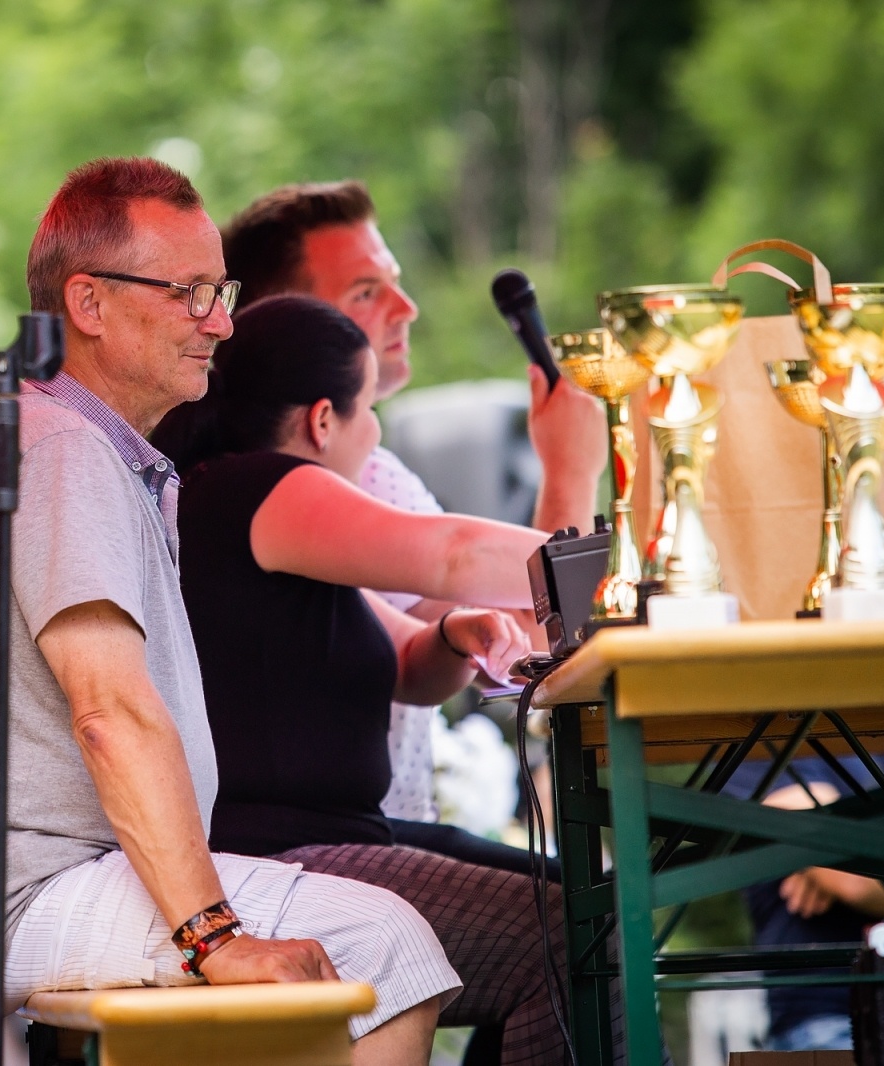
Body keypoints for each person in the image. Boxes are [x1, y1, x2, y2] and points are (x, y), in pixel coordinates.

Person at [0, 157, 461, 1066]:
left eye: (220, 289)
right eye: (190, 293)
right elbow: (109, 712)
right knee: (388, 946)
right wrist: (213, 939)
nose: (222, 322)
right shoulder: (63, 449)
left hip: (58, 875)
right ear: (89, 303)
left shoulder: (104, 456)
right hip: (20, 888)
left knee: (354, 952)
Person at [155, 294, 626, 1064]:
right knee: (573, 930)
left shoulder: (267, 518)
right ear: (321, 421)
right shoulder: (259, 488)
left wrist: (452, 633)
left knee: (590, 901)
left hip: (330, 839)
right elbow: (451, 553)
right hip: (276, 855)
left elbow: (412, 667)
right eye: (369, 406)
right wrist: (630, 563)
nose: (375, 431)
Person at [221, 181, 606, 841]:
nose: (407, 309)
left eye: (394, 282)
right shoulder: (268, 481)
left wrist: (459, 634)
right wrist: (571, 471)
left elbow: (496, 643)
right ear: (284, 322)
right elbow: (544, 635)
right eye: (365, 293)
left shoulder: (369, 471)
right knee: (576, 910)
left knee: (574, 898)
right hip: (331, 848)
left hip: (384, 833)